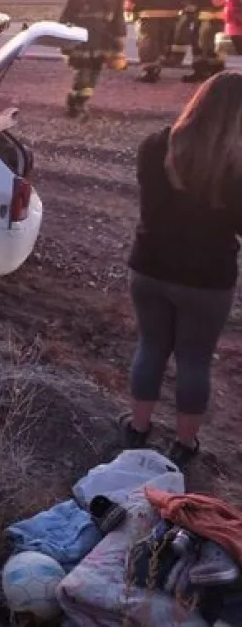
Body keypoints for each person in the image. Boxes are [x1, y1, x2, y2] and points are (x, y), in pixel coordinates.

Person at [120, 70, 242, 468]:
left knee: (150, 346)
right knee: (194, 360)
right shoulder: (236, 167)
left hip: (150, 267)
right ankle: (185, 444)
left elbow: (150, 204)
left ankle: (137, 428)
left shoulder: (155, 145)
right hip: (206, 281)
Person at [59, 0, 127, 118]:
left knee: (94, 71)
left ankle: (81, 101)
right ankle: (74, 104)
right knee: (83, 70)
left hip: (104, 36)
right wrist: (64, 37)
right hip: (83, 34)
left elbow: (118, 16)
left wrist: (119, 39)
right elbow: (69, 11)